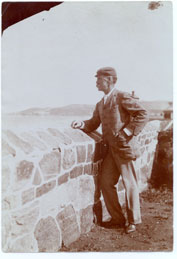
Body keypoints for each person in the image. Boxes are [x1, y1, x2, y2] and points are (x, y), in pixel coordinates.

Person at [71, 67, 149, 233]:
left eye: (99, 79)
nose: (96, 82)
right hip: (110, 152)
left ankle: (133, 221)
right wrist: (82, 124)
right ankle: (117, 219)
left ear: (109, 80)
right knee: (106, 183)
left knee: (130, 184)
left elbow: (143, 114)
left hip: (124, 148)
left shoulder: (122, 96)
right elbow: (93, 123)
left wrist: (127, 132)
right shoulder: (101, 104)